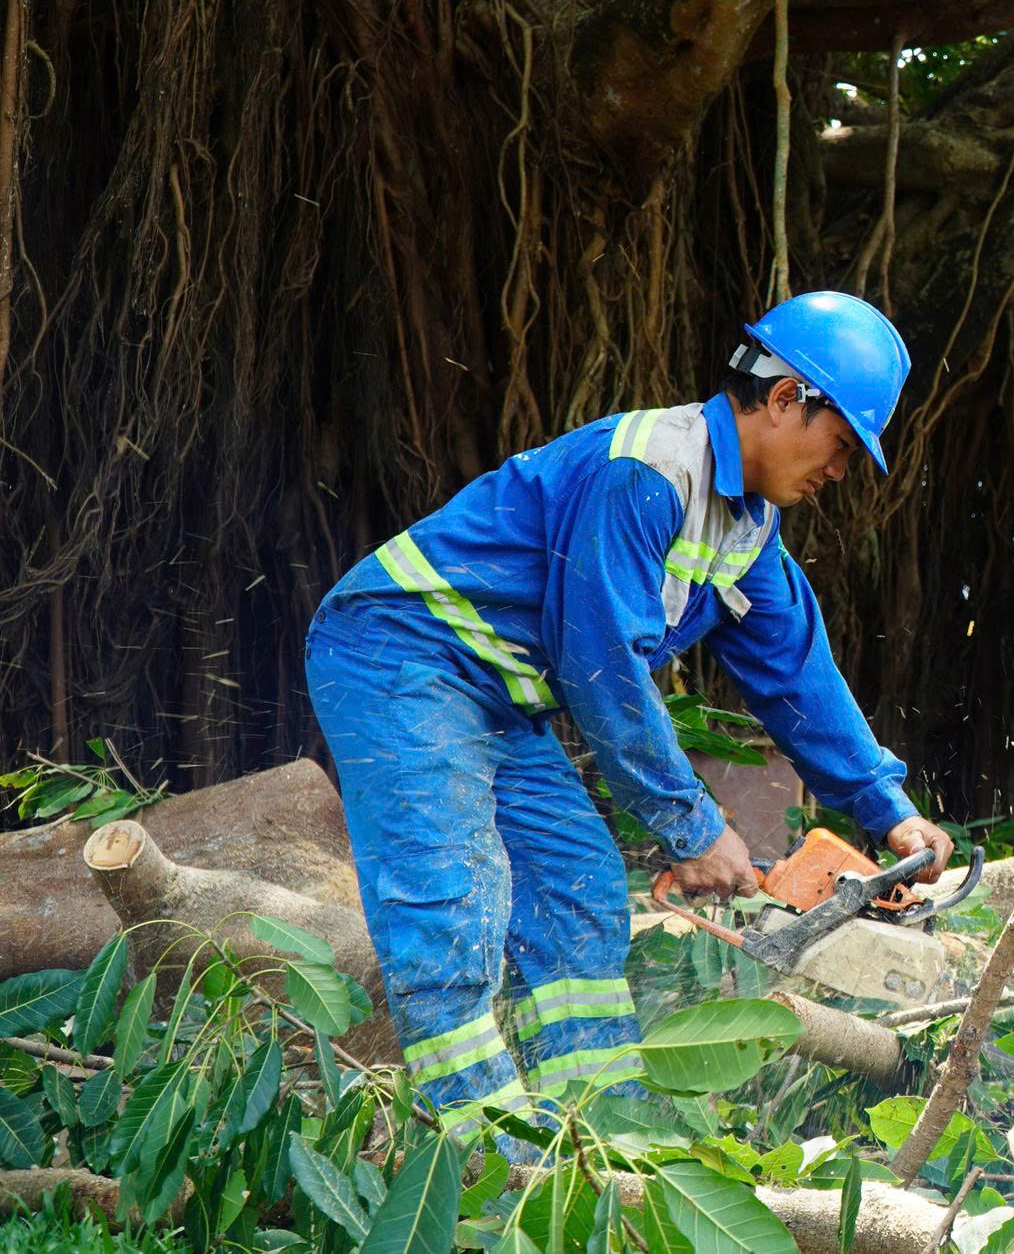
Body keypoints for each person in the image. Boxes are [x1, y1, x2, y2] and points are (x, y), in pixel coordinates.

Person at [303, 290, 953, 1126]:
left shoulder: (747, 525)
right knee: (453, 897)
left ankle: (604, 1134)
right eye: (840, 445)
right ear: (788, 399)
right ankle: (475, 1152)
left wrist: (890, 816)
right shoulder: (649, 472)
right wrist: (692, 826)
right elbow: (601, 665)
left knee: (581, 892)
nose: (840, 470)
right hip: (402, 648)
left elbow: (796, 675)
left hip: (501, 699)